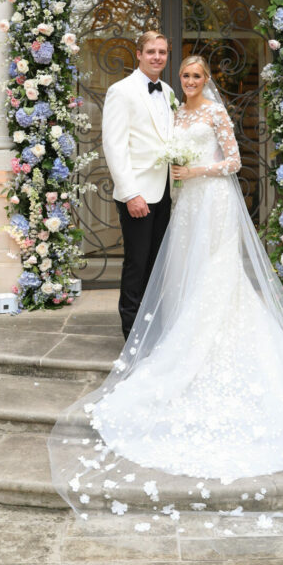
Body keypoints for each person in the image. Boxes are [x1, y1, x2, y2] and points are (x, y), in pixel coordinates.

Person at [48, 56, 283, 530]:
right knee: (183, 276)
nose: (188, 81)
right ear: (177, 80)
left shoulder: (212, 111)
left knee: (218, 276)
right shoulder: (172, 108)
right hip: (182, 206)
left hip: (212, 202)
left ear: (207, 81)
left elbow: (233, 161)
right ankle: (180, 335)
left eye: (196, 76)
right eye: (184, 75)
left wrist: (198, 173)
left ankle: (216, 341)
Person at [101, 31, 174, 339]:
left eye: (162, 52)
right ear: (139, 54)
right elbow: (114, 145)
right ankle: (132, 333)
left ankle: (153, 327)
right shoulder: (121, 91)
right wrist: (131, 193)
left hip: (166, 191)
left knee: (158, 264)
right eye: (151, 51)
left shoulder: (169, 91)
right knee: (137, 263)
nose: (157, 56)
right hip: (138, 193)